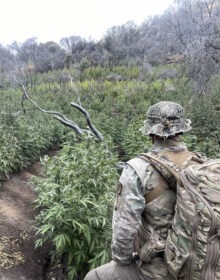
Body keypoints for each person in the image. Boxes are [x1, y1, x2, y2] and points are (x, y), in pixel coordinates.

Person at [84, 101, 192, 280]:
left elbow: (125, 227)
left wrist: (123, 259)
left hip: (158, 270)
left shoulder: (138, 168)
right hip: (195, 264)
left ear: (150, 132)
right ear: (181, 130)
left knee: (93, 277)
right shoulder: (201, 164)